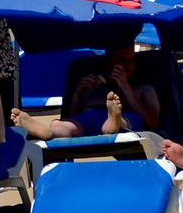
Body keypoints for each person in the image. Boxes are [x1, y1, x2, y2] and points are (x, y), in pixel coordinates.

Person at [10, 43, 160, 140]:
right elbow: (71, 118)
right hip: (89, 120)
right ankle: (49, 132)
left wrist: (125, 88)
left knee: (118, 120)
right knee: (64, 126)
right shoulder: (94, 89)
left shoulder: (143, 90)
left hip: (125, 120)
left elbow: (153, 123)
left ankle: (113, 121)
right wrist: (78, 95)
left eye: (131, 60)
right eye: (121, 60)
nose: (127, 65)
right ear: (108, 63)